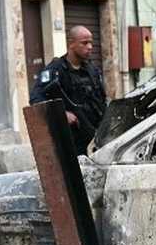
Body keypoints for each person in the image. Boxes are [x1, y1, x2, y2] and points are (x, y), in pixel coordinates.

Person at [30, 25, 107, 155]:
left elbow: (101, 100)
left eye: (91, 43)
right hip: (70, 140)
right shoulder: (55, 71)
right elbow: (36, 99)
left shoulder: (92, 71)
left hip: (94, 135)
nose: (90, 47)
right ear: (71, 44)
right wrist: (61, 114)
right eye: (84, 43)